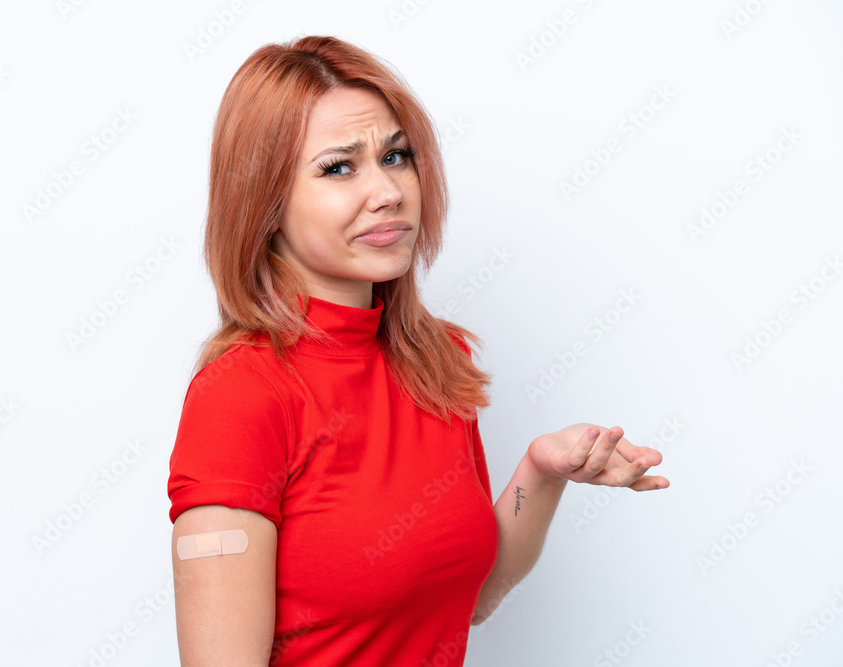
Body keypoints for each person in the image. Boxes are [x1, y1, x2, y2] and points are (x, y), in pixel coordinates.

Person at [166, 34, 670, 666]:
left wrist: (541, 472)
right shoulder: (242, 394)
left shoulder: (436, 361)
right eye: (339, 167)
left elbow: (467, 600)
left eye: (396, 156)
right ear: (263, 204)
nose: (388, 191)